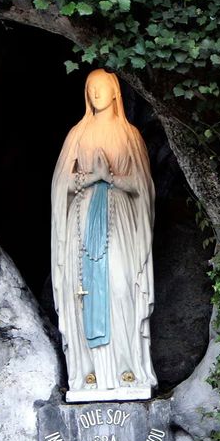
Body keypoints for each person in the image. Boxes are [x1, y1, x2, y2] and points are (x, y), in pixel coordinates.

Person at [50, 69, 156, 399]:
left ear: (115, 92)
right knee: (82, 292)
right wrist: (87, 180)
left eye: (102, 87)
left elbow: (143, 186)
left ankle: (128, 370)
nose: (96, 93)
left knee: (122, 288)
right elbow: (59, 185)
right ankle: (90, 373)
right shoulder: (77, 135)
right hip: (81, 226)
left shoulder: (129, 135)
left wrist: (110, 178)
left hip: (119, 224)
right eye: (90, 88)